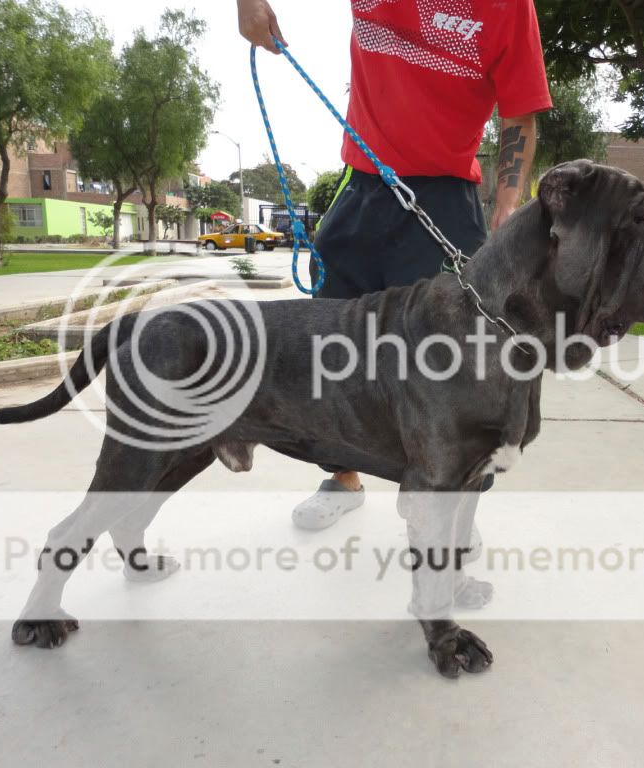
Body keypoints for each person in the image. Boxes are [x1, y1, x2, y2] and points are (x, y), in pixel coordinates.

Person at [237, 0, 551, 541]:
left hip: (445, 196)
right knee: (335, 356)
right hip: (362, 186)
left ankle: (453, 498)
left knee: (456, 364)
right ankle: (343, 479)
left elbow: (519, 109)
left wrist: (506, 202)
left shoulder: (508, 7)